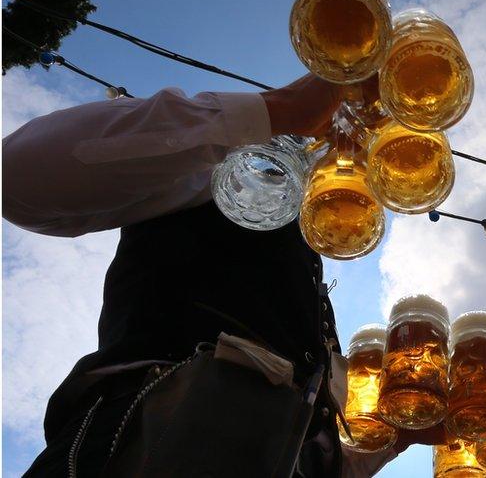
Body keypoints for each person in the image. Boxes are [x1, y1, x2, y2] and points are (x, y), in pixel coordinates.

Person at [2, 73, 443, 476]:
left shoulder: (307, 284)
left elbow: (306, 455)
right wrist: (277, 110)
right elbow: (17, 176)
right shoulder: (207, 176)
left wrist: (396, 439)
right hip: (144, 445)